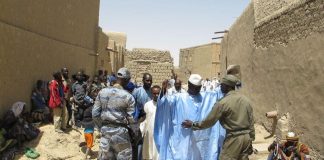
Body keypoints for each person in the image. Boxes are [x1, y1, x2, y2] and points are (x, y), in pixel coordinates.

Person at [182, 74, 255, 160]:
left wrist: (193, 124)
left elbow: (209, 121)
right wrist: (251, 139)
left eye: (222, 84)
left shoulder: (222, 103)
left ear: (227, 86)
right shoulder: (246, 100)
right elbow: (251, 122)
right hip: (246, 139)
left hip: (233, 140)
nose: (220, 86)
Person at [154, 74, 225, 160]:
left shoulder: (206, 97)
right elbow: (164, 104)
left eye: (197, 88)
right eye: (193, 87)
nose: (195, 90)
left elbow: (219, 93)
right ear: (188, 84)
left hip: (199, 143)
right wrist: (163, 91)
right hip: (181, 141)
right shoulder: (178, 98)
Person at [92, 67, 136, 160]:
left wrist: (101, 127)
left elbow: (95, 114)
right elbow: (131, 119)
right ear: (127, 80)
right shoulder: (128, 97)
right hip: (121, 134)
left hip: (105, 133)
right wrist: (135, 133)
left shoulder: (102, 92)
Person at [132, 73, 153, 160]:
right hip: (139, 120)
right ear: (143, 81)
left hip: (150, 120)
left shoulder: (153, 92)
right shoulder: (137, 91)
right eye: (147, 80)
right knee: (138, 143)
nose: (149, 82)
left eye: (150, 80)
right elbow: (131, 105)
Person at [140, 85, 161, 160]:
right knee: (149, 153)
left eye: (158, 93)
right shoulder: (147, 105)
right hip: (149, 133)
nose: (156, 95)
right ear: (152, 94)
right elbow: (144, 119)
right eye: (154, 93)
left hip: (159, 133)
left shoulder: (163, 105)